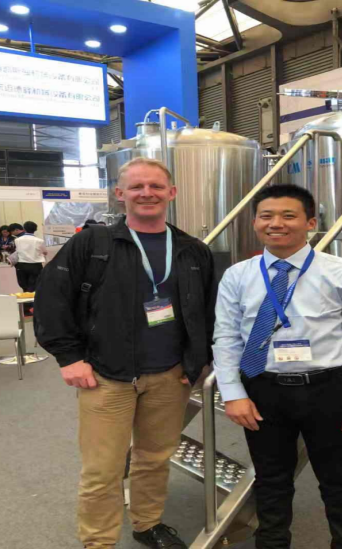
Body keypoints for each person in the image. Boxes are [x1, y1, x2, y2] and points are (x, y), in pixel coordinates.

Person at [34, 157, 217, 550]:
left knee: (155, 458)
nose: (146, 193)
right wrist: (69, 357)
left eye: (155, 186)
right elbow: (52, 297)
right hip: (105, 376)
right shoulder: (93, 243)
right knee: (103, 468)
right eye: (136, 187)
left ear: (172, 193)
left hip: (170, 376)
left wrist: (197, 360)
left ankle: (147, 524)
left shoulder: (192, 251)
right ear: (120, 194)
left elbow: (208, 310)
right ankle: (98, 541)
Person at [213, 184, 342, 550]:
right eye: (266, 216)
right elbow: (226, 338)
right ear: (255, 222)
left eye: (288, 216)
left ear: (310, 223)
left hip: (329, 390)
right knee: (271, 478)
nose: (276, 223)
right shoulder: (237, 276)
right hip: (263, 389)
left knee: (339, 480)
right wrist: (232, 393)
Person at [12, 221, 47, 293]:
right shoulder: (40, 241)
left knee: (24, 285)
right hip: (35, 265)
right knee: (34, 286)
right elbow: (45, 252)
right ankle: (32, 299)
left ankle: (26, 298)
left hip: (21, 265)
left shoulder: (17, 240)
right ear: (35, 229)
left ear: (24, 229)